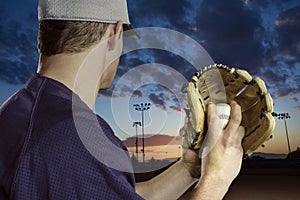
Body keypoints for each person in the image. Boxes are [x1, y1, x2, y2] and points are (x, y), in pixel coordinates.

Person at [0, 0, 245, 199]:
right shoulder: (75, 136)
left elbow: (116, 193)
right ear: (115, 32)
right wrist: (215, 181)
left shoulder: (17, 110)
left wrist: (189, 169)